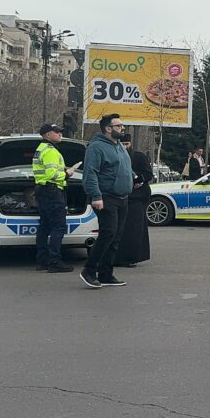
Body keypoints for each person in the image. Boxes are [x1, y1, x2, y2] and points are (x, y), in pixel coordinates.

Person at [80, 114, 133, 289]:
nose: (123, 128)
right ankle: (89, 270)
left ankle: (106, 273)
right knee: (107, 234)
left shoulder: (119, 146)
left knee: (116, 237)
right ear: (108, 129)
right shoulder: (96, 148)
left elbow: (121, 168)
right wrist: (96, 196)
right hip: (106, 197)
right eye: (119, 126)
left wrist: (133, 178)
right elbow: (90, 173)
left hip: (122, 197)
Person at [32, 123, 74, 273]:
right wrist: (67, 174)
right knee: (58, 226)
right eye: (57, 132)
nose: (60, 134)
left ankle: (42, 261)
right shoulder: (50, 151)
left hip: (43, 191)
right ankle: (54, 261)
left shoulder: (40, 149)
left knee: (44, 226)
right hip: (52, 191)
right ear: (48, 135)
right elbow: (51, 175)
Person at [115, 134, 152, 267]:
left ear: (131, 144)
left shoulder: (139, 156)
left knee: (134, 230)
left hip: (136, 198)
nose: (125, 147)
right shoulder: (115, 155)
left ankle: (131, 257)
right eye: (122, 144)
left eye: (127, 144)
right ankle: (117, 257)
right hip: (121, 196)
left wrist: (139, 180)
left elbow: (148, 174)